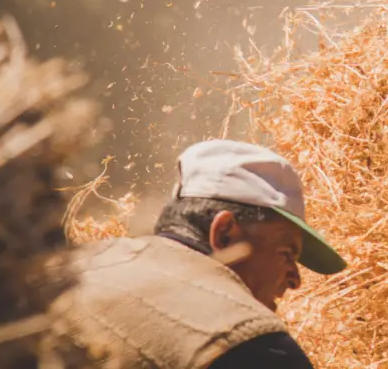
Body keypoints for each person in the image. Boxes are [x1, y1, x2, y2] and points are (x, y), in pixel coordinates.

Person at [56, 139, 347, 369]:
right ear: (224, 234)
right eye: (286, 252)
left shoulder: (77, 267)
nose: (296, 280)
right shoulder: (249, 343)